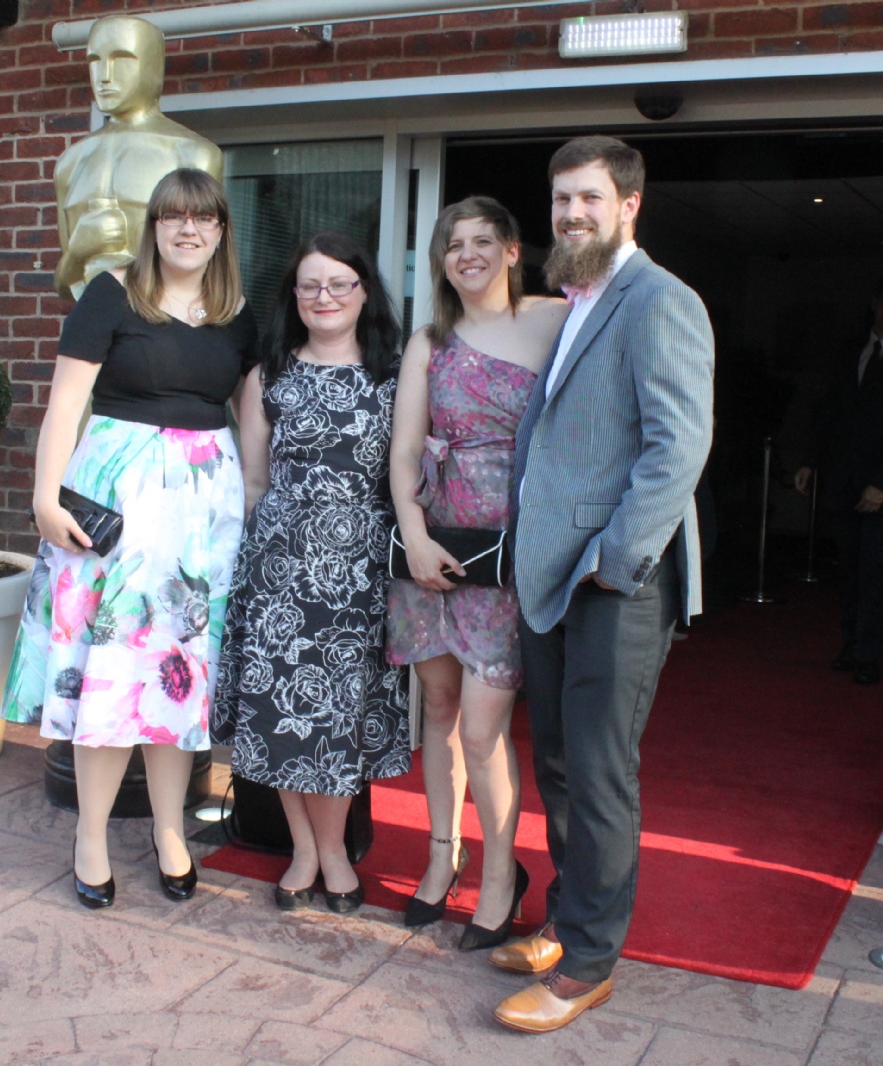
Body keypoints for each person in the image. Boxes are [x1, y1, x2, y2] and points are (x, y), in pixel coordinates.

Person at [492, 136, 714, 1035]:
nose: (571, 214)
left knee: (597, 769)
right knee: (558, 762)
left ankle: (587, 965)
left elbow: (678, 447)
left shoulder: (661, 300)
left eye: (589, 198)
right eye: (560, 200)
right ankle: (565, 921)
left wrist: (613, 560)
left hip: (615, 583)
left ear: (629, 205)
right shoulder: (581, 298)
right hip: (551, 577)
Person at [0, 169, 258, 910]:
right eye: (173, 216)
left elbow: (252, 418)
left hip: (201, 519)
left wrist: (256, 505)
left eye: (203, 218)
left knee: (181, 674)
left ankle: (171, 832)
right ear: (154, 226)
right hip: (117, 504)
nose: (188, 230)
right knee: (112, 672)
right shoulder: (111, 293)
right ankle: (91, 837)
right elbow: (65, 405)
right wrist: (44, 498)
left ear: (220, 231)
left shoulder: (238, 312)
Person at [212, 232, 411, 913]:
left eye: (339, 283)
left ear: (364, 291)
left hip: (359, 572)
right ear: (293, 296)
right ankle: (308, 850)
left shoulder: (395, 374)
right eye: (310, 285)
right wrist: (246, 574)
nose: (324, 296)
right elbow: (253, 481)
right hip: (280, 571)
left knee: (339, 719)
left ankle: (333, 852)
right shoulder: (267, 374)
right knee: (284, 717)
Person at [386, 197, 567, 948]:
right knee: (437, 708)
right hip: (435, 544)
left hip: (510, 547)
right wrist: (414, 538)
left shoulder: (557, 319)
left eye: (483, 240)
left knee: (484, 726)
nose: (467, 254)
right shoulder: (429, 341)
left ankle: (501, 873)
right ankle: (441, 856)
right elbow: (405, 449)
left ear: (513, 250)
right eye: (454, 243)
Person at [793, 273, 883, 686]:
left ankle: (868, 654)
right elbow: (830, 410)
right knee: (849, 568)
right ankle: (850, 644)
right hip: (844, 477)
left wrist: (882, 484)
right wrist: (810, 461)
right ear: (874, 303)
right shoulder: (851, 349)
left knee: (874, 569)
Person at [53, 16, 223, 300]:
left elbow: (207, 270)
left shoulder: (192, 154)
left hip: (162, 320)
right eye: (95, 61)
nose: (104, 76)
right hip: (90, 323)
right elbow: (63, 285)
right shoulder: (71, 162)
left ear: (152, 64)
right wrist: (77, 253)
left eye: (121, 59)